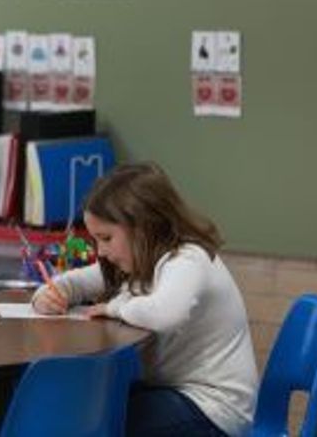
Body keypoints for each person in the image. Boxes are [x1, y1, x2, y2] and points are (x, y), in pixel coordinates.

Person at [31, 162, 258, 437]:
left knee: (96, 422)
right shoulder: (137, 261)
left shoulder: (187, 258)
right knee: (85, 407)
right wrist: (46, 297)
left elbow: (166, 313)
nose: (100, 251)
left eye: (106, 238)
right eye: (95, 240)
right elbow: (73, 283)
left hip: (215, 409)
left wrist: (115, 307)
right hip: (175, 392)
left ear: (143, 227)